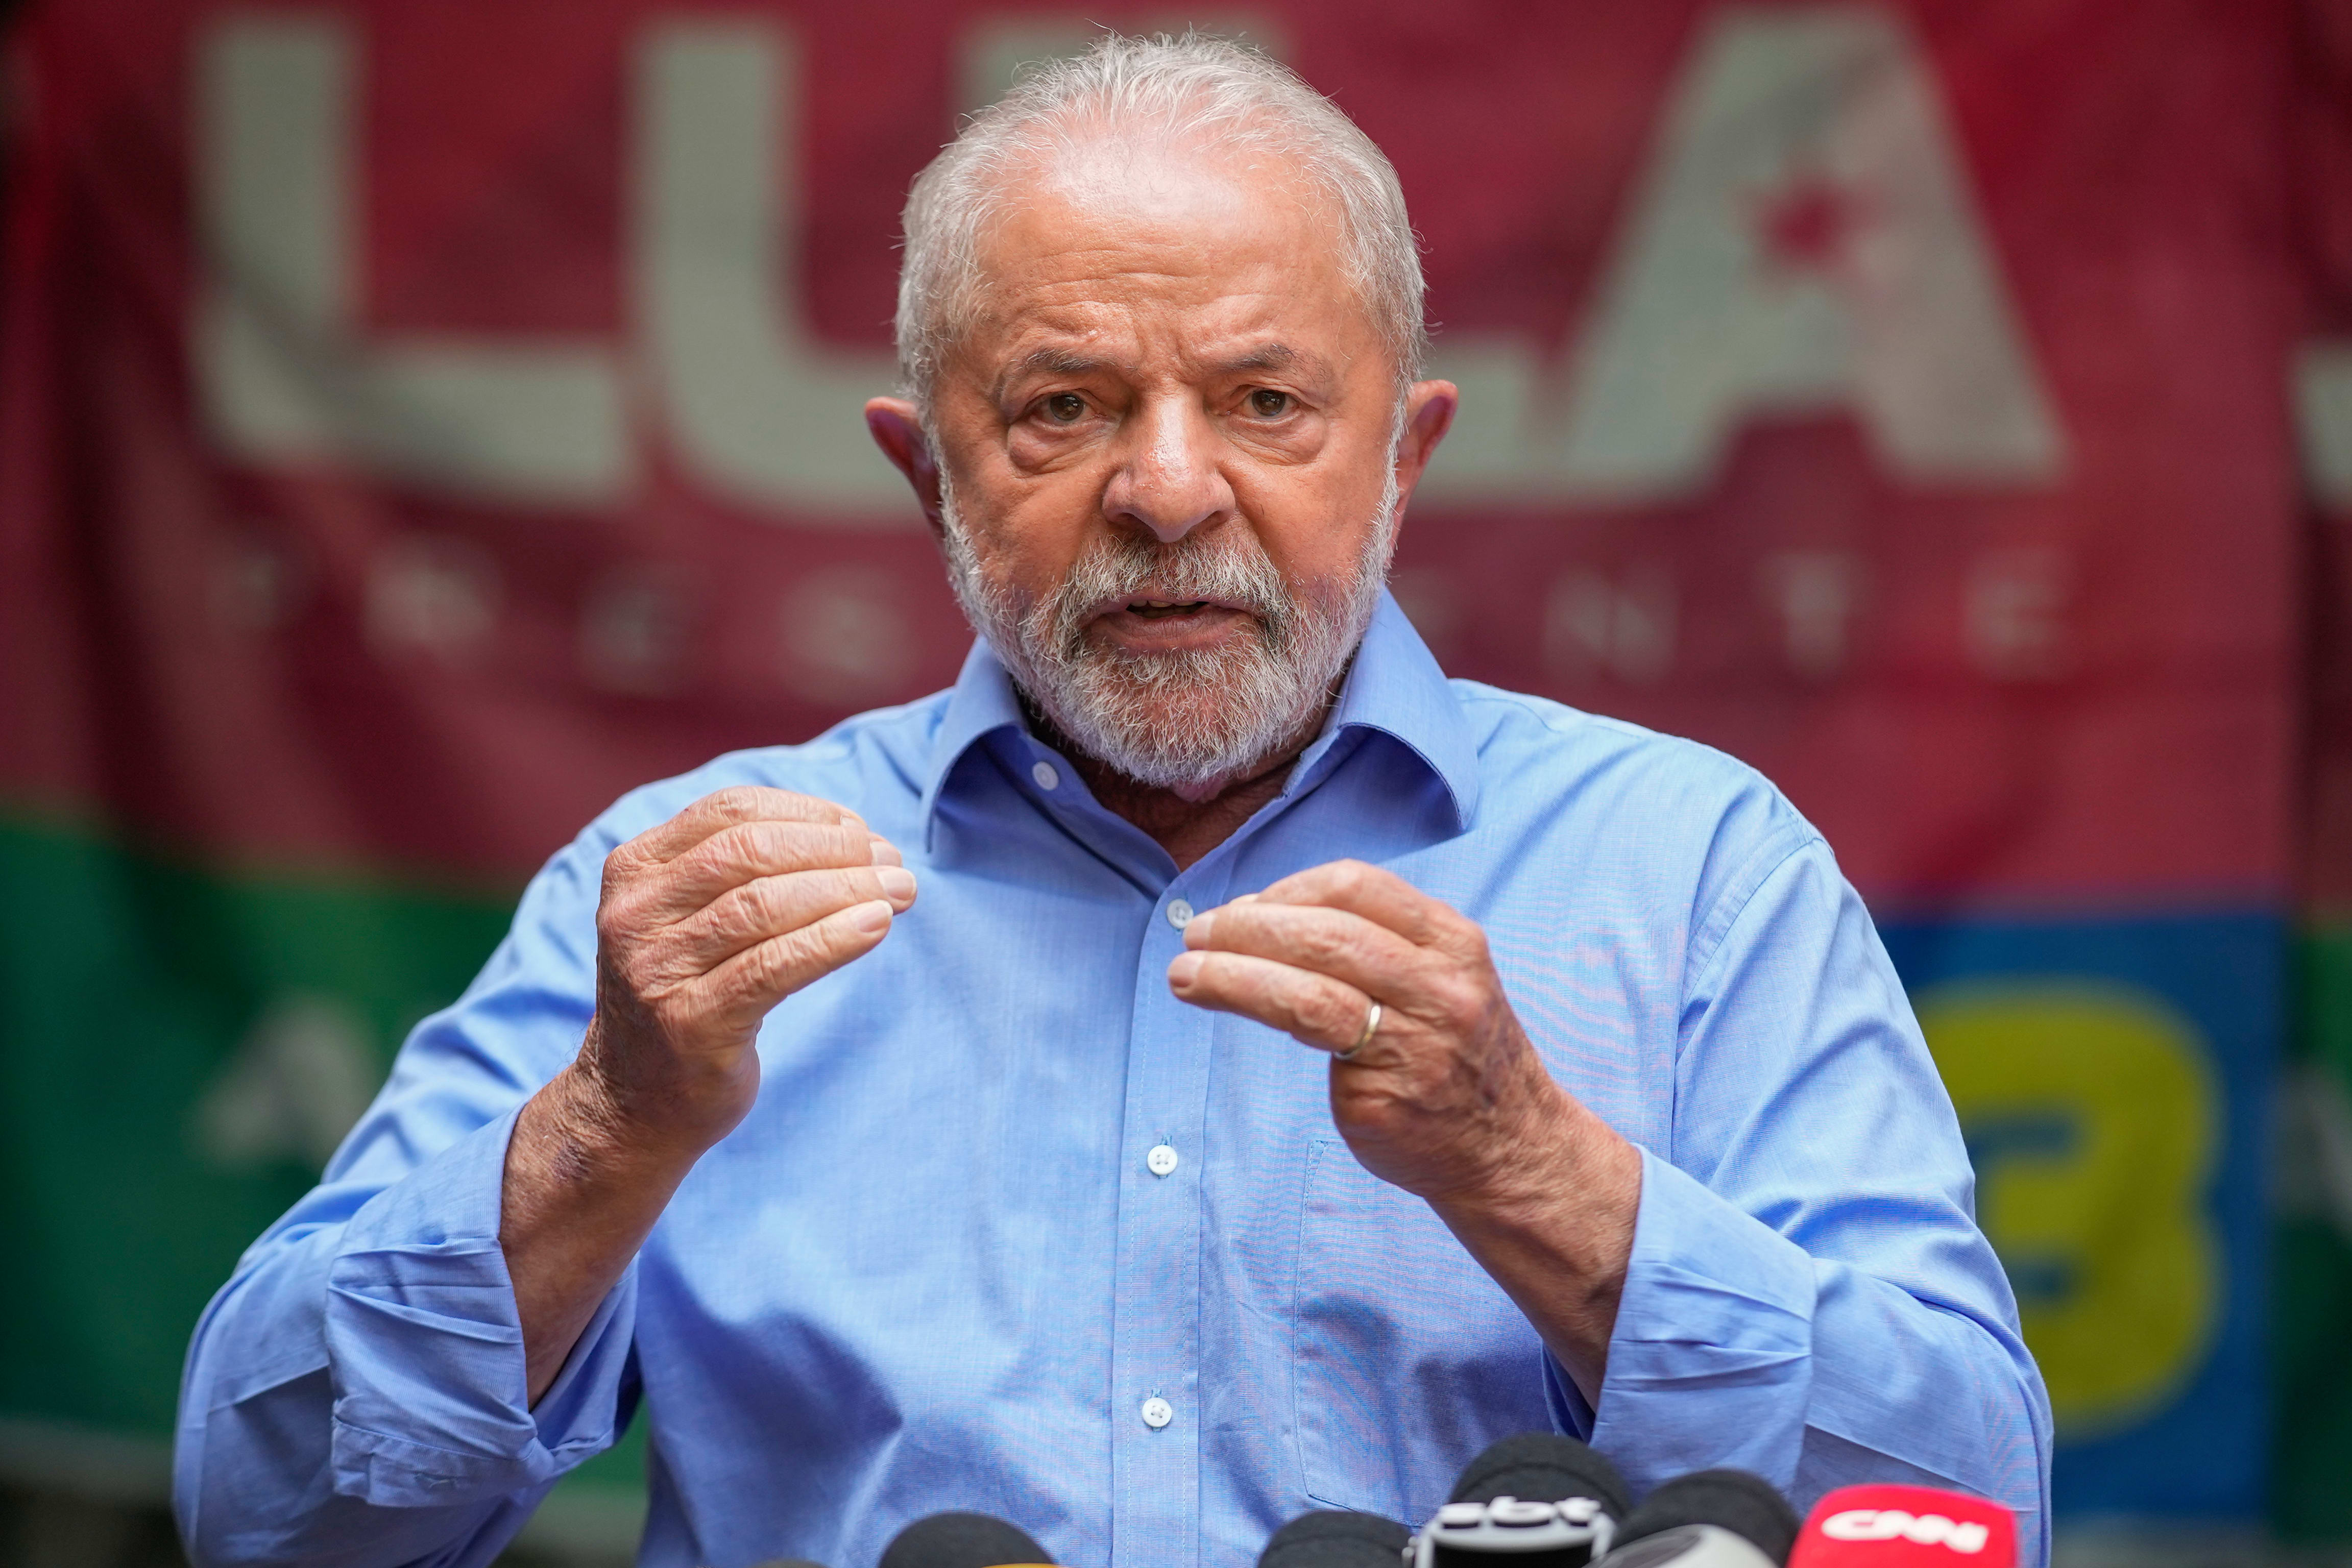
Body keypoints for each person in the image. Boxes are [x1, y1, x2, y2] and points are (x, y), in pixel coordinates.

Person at [174, 33, 2050, 1568]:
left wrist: (1540, 1174)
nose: (1165, 491)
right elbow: (265, 1520)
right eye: (1063, 407)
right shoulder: (697, 903)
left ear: (1405, 458)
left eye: (1265, 404)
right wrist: (605, 1131)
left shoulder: (1692, 871)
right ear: (928, 477)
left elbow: (1966, 1511)